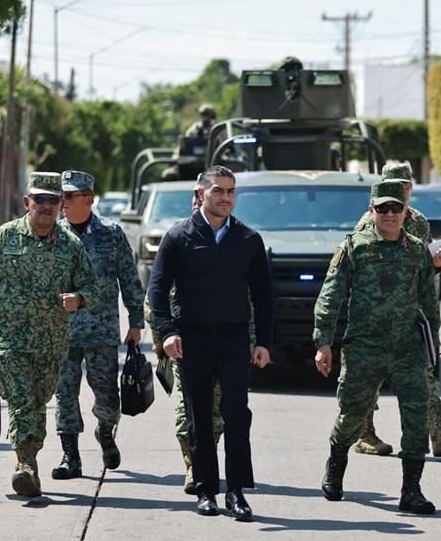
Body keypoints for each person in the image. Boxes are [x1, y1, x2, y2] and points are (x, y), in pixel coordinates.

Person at [148, 165, 274, 520]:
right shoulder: (178, 237)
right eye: (218, 191)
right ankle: (206, 490)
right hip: (192, 338)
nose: (226, 198)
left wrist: (263, 341)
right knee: (198, 416)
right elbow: (157, 291)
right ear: (201, 194)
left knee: (236, 413)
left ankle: (236, 492)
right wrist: (167, 332)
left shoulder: (248, 239)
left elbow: (263, 297)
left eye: (231, 191)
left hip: (234, 338)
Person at [0, 172, 100, 498]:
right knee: (23, 402)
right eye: (39, 200)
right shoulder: (5, 238)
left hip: (51, 344)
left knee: (38, 402)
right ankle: (24, 465)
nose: (45, 206)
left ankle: (30, 461)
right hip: (9, 342)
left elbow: (92, 289)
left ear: (60, 206)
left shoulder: (71, 246)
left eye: (52, 201)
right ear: (27, 202)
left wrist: (78, 299)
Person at [315, 180, 441, 515]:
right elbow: (331, 295)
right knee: (352, 415)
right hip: (365, 348)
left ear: (405, 212)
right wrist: (323, 341)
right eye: (381, 208)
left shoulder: (416, 249)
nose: (388, 214)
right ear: (371, 211)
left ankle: (411, 490)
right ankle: (336, 461)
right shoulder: (354, 247)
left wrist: (433, 345)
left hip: (407, 348)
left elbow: (429, 299)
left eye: (395, 208)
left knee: (415, 418)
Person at [350, 162, 441, 459]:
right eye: (393, 183)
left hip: (413, 314)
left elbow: (423, 269)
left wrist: (437, 265)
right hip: (377, 316)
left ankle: (437, 434)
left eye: (404, 184)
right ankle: (363, 434)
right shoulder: (369, 222)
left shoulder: (419, 221)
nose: (400, 189)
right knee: (370, 379)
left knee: (424, 373)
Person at [51, 170, 145, 481]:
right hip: (62, 332)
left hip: (101, 330)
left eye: (69, 196)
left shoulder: (111, 233)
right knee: (64, 394)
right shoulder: (52, 234)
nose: (62, 202)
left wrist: (136, 321)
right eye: (61, 196)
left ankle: (105, 432)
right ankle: (70, 455)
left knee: (106, 395)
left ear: (89, 199)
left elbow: (129, 278)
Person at [145, 176, 225, 495]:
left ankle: (206, 456)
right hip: (184, 340)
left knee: (216, 407)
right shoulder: (177, 237)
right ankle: (193, 464)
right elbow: (157, 291)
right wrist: (160, 334)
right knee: (187, 405)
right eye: (198, 193)